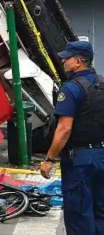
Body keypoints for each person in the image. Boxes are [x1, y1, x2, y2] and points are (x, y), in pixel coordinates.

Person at [40, 41, 104, 235]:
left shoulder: (71, 89)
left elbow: (64, 129)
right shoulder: (102, 83)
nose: (63, 61)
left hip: (79, 161)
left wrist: (49, 159)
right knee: (100, 211)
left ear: (78, 61)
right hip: (102, 156)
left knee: (78, 214)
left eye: (67, 58)